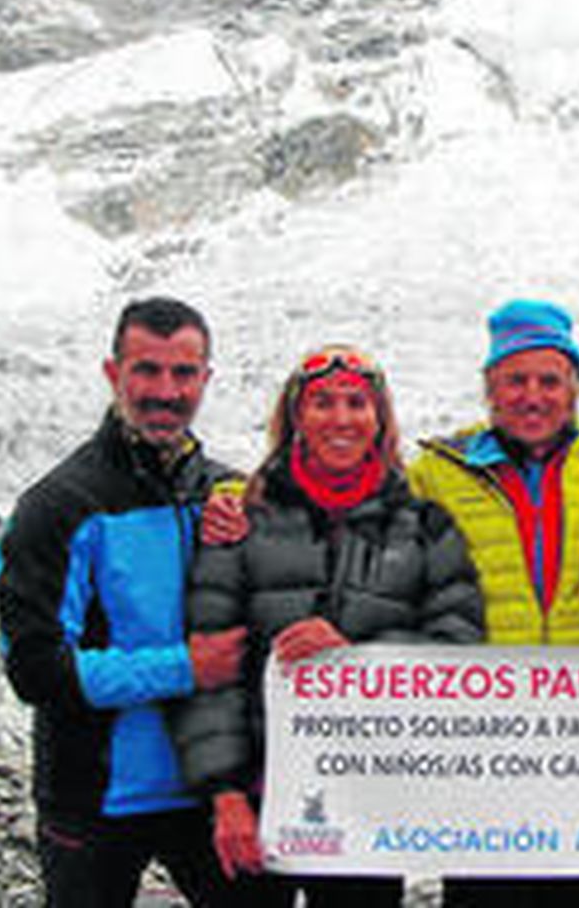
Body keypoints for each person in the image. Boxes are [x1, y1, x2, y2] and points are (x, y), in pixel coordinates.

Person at [170, 344, 483, 905]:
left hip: (367, 799)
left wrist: (358, 657)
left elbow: (458, 647)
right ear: (296, 416)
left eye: (357, 403)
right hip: (260, 798)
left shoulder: (424, 526)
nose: (341, 419)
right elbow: (209, 667)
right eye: (323, 403)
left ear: (379, 419)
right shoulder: (242, 521)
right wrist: (225, 795)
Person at [408, 299, 579, 906]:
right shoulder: (435, 475)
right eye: (515, 380)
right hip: (478, 747)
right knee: (478, 893)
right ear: (490, 388)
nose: (533, 397)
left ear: (576, 386)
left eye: (550, 381)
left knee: (573, 892)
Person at [0, 297, 246, 907]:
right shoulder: (58, 507)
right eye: (147, 370)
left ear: (206, 379)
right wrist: (185, 667)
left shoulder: (229, 495)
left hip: (211, 793)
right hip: (94, 796)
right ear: (114, 374)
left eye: (183, 373)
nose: (166, 391)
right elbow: (36, 668)